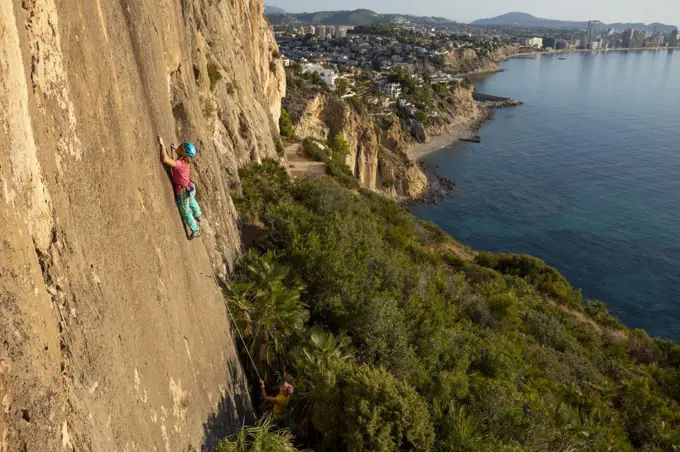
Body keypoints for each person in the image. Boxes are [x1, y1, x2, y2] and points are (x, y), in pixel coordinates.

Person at [158, 135, 202, 240]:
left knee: (186, 213)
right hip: (189, 187)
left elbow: (165, 159)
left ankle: (195, 230)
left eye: (181, 147)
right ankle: (198, 214)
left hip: (183, 192)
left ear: (183, 153)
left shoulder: (179, 164)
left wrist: (162, 144)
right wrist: (176, 148)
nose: (180, 147)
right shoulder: (188, 161)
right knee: (192, 200)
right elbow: (183, 153)